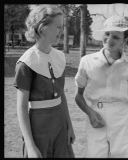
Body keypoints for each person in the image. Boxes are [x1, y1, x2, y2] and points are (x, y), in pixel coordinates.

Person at [74, 15, 128, 158]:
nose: (110, 40)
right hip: (96, 118)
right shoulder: (87, 61)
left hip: (122, 119)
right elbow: (78, 96)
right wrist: (89, 112)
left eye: (116, 37)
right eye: (107, 34)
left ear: (124, 40)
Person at [13, 5, 75, 158]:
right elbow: (21, 107)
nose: (61, 32)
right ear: (42, 29)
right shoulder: (26, 63)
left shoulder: (59, 57)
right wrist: (30, 145)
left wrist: (69, 126)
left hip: (60, 123)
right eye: (58, 27)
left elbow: (61, 96)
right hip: (38, 126)